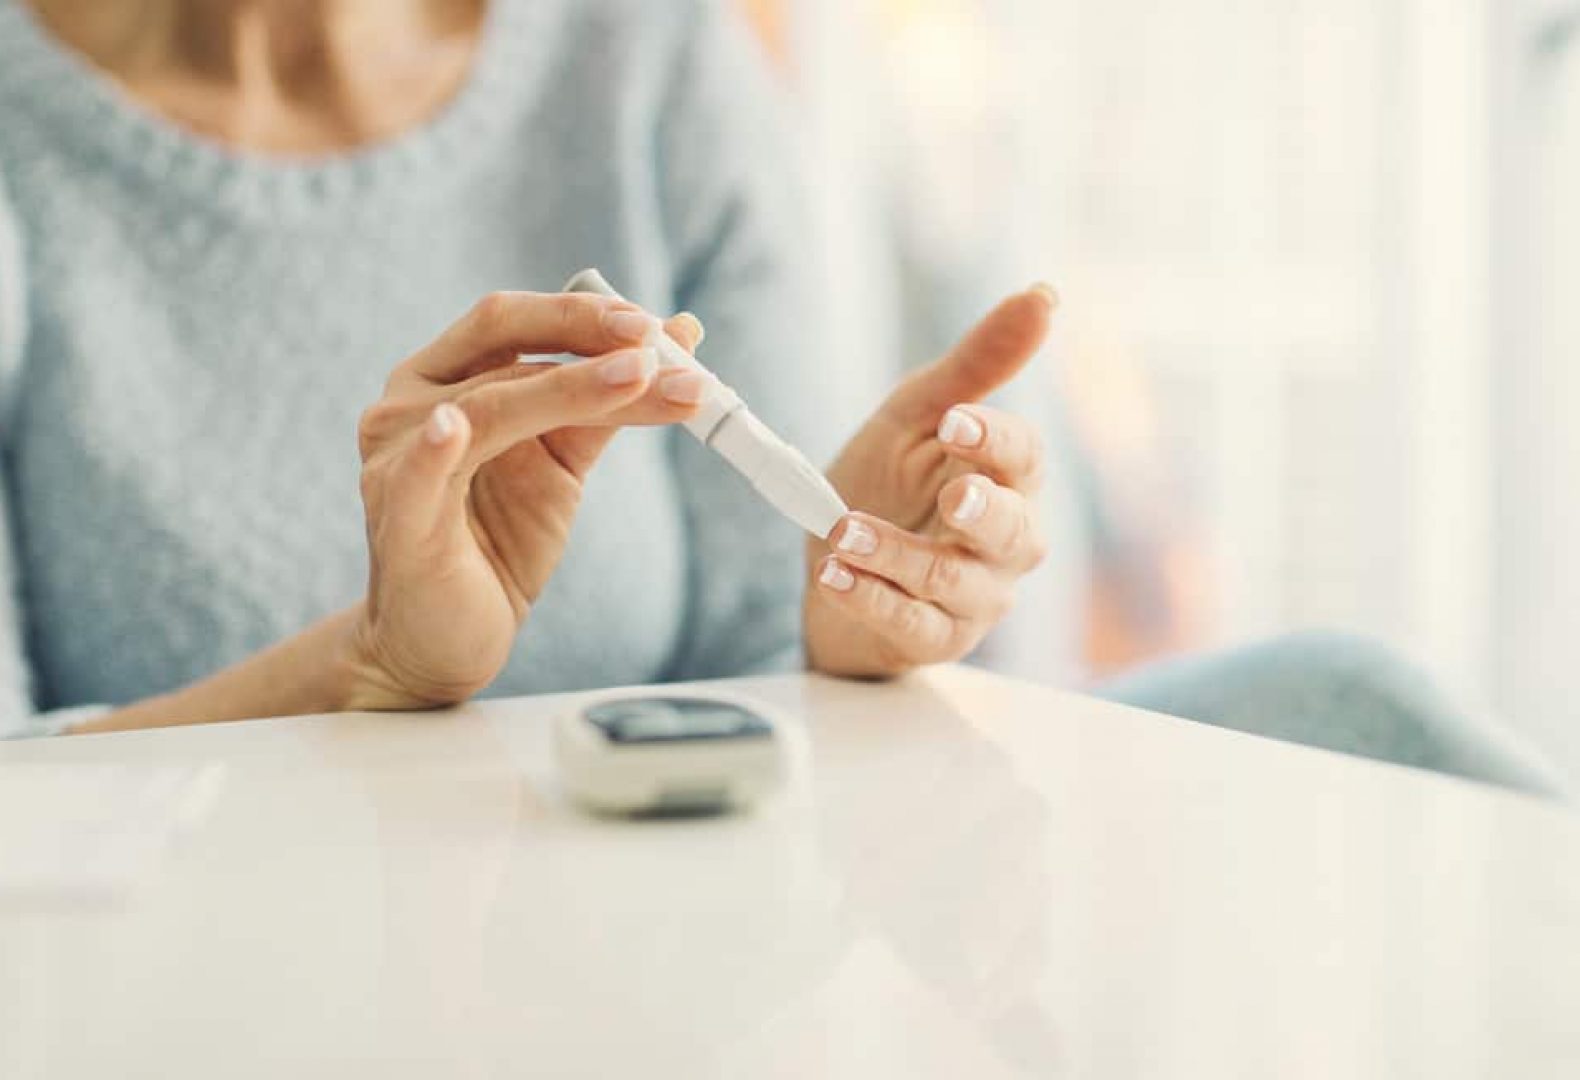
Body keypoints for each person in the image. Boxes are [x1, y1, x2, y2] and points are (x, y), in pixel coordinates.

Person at [0, 0, 1564, 798]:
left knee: (1362, 716)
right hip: (230, 983)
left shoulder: (645, 55)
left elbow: (779, 683)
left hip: (690, 941)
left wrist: (858, 617)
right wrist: (363, 669)